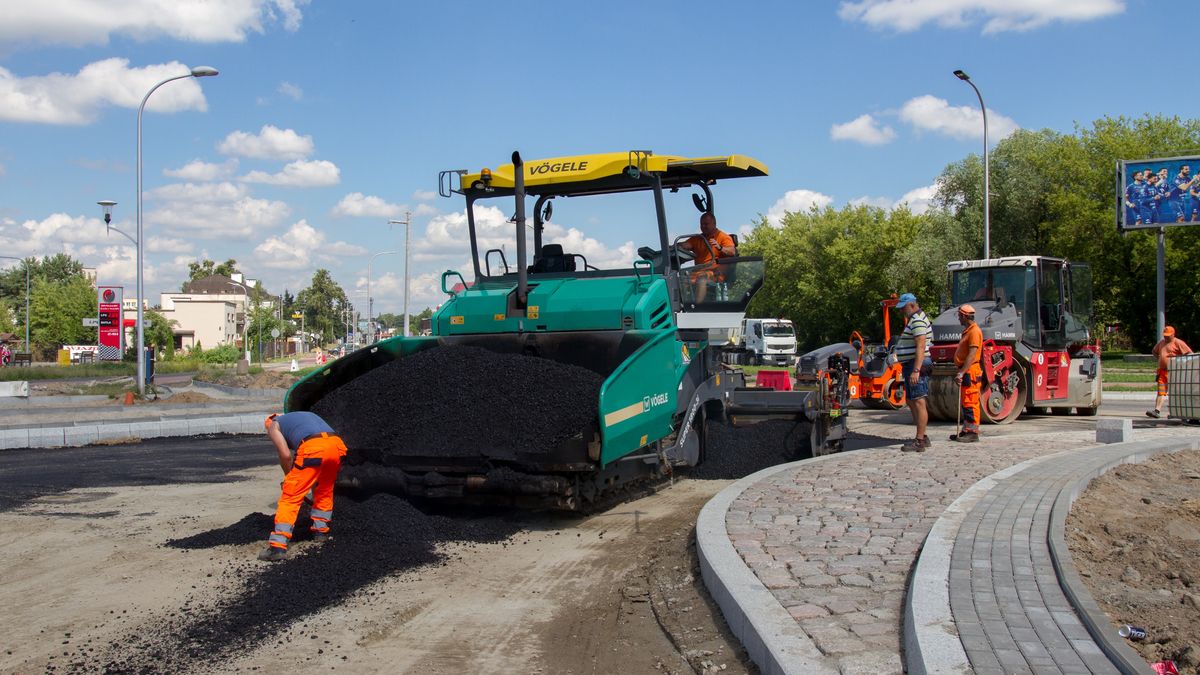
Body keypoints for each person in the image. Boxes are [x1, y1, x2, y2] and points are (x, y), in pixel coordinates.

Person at [259, 411, 348, 561]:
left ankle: (277, 547)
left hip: (313, 448)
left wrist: (289, 478)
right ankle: (321, 532)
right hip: (337, 446)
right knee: (324, 490)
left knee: (290, 497)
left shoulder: (273, 426)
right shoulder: (299, 418)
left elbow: (285, 455)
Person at [893, 293, 933, 452]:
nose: (902, 311)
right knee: (910, 400)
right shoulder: (916, 319)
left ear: (911, 305)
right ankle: (923, 435)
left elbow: (921, 346)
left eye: (903, 307)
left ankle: (920, 441)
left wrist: (916, 370)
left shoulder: (917, 321)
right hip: (910, 365)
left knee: (918, 401)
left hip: (916, 365)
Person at [679, 212, 735, 302]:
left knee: (702, 278)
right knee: (680, 280)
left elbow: (732, 251)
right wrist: (675, 246)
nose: (703, 226)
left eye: (706, 224)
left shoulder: (723, 237)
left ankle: (696, 309)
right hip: (697, 273)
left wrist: (720, 248)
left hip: (716, 274)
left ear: (714, 224)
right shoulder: (698, 238)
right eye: (702, 224)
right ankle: (681, 308)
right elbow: (686, 245)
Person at [951, 304, 983, 442]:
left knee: (971, 401)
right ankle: (966, 430)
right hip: (967, 370)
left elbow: (972, 354)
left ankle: (973, 432)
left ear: (964, 316)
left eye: (959, 316)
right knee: (966, 401)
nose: (958, 319)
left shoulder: (974, 331)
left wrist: (962, 372)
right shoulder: (968, 331)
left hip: (970, 371)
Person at [1147, 326, 1192, 419]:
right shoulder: (1161, 343)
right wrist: (1160, 358)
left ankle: (1177, 413)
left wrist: (1181, 364)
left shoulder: (1178, 342)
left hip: (1175, 372)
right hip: (1163, 372)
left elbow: (1189, 354)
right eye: (1165, 335)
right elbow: (1154, 351)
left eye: (1168, 336)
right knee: (1161, 392)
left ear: (1173, 334)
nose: (1166, 337)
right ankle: (1156, 411)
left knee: (1176, 393)